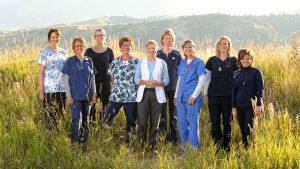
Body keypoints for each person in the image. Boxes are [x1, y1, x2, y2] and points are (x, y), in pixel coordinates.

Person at [134, 40, 169, 154]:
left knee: (155, 122)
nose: (151, 50)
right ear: (146, 49)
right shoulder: (141, 62)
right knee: (142, 121)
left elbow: (166, 79)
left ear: (156, 49)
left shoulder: (162, 62)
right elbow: (136, 78)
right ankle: (142, 146)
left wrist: (158, 83)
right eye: (149, 48)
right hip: (143, 94)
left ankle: (152, 147)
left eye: (153, 48)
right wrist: (142, 81)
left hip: (157, 94)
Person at [204, 36, 238, 151]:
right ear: (217, 46)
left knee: (227, 122)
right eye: (220, 44)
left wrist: (236, 98)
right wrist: (205, 94)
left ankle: (227, 148)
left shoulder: (234, 61)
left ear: (229, 46)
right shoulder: (211, 60)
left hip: (228, 96)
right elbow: (207, 79)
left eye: (225, 44)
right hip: (213, 96)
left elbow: (237, 81)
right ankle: (218, 148)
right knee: (215, 122)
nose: (223, 46)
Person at [61, 37, 97, 143]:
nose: (79, 47)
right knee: (76, 120)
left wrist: (94, 93)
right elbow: (66, 80)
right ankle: (75, 142)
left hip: (87, 96)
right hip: (75, 96)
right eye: (77, 45)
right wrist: (68, 96)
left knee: (86, 120)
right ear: (73, 48)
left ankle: (84, 142)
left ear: (84, 47)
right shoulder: (70, 61)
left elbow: (92, 79)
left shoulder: (89, 61)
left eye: (81, 45)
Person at [105, 36, 139, 143]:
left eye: (129, 45)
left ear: (131, 47)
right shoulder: (115, 62)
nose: (127, 47)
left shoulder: (137, 62)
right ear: (120, 47)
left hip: (131, 97)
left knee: (131, 121)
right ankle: (104, 139)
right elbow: (112, 77)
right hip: (116, 96)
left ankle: (130, 143)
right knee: (107, 118)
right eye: (124, 45)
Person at [175, 40, 206, 149]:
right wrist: (175, 96)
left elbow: (202, 79)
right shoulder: (182, 62)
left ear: (194, 48)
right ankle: (185, 147)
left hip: (192, 98)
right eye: (185, 47)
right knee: (182, 123)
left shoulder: (199, 62)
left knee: (193, 124)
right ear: (183, 49)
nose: (188, 49)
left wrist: (193, 96)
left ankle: (193, 148)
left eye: (190, 47)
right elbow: (179, 80)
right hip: (180, 97)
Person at [232, 48, 264, 148]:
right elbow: (233, 92)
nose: (245, 61)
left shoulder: (256, 72)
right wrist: (233, 108)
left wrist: (259, 105)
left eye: (248, 58)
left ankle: (251, 149)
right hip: (239, 106)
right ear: (239, 60)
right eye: (243, 58)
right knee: (242, 129)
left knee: (248, 129)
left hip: (251, 107)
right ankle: (246, 149)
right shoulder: (236, 73)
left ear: (251, 59)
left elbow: (260, 90)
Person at [38, 28, 67, 131]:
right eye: (53, 37)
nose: (55, 39)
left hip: (62, 88)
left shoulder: (63, 52)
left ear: (59, 37)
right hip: (50, 89)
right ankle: (51, 137)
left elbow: (66, 71)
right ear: (49, 38)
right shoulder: (44, 52)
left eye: (57, 36)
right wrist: (41, 92)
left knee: (61, 114)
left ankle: (60, 137)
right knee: (50, 115)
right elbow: (41, 73)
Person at [156, 29, 182, 144]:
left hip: (174, 89)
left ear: (173, 41)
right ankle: (162, 137)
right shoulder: (157, 54)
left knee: (173, 115)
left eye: (170, 39)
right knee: (162, 114)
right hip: (160, 89)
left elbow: (181, 72)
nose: (168, 40)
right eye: (166, 38)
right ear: (162, 40)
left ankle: (174, 138)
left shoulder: (177, 55)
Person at [84, 28, 114, 123]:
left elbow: (112, 69)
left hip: (106, 83)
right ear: (94, 37)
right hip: (92, 83)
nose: (100, 37)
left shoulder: (109, 51)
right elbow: (85, 69)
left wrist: (113, 83)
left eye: (102, 35)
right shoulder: (89, 51)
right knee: (91, 107)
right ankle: (92, 127)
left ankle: (104, 128)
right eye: (98, 35)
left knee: (105, 107)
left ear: (105, 37)